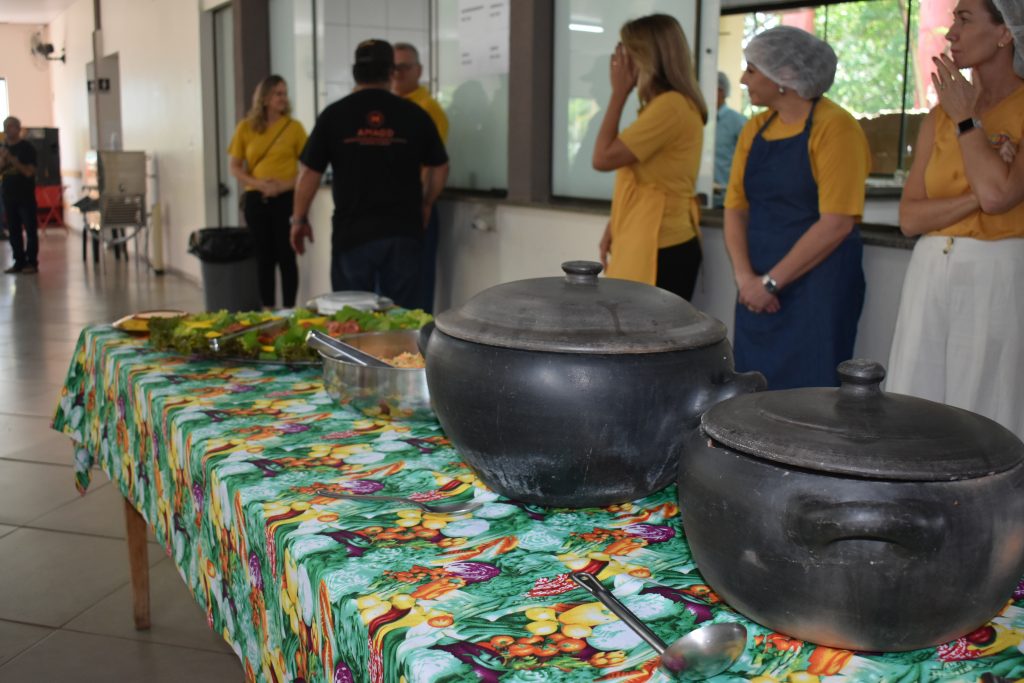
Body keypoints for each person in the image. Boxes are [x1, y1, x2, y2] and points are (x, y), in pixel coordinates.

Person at [887, 0, 1024, 439]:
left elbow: (1000, 195)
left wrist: (969, 122)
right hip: (930, 267)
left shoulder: (987, 111)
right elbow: (909, 217)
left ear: (1005, 33)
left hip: (996, 270)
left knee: (986, 398)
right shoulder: (937, 115)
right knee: (916, 394)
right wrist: (974, 195)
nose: (951, 33)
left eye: (964, 19)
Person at [723, 26, 870, 390]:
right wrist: (747, 280)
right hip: (755, 287)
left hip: (817, 288)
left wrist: (772, 282)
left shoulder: (836, 129)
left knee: (811, 394)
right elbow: (735, 209)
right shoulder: (754, 129)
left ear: (783, 77)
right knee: (752, 391)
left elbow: (837, 223)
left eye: (752, 70)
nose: (743, 79)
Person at [289, 39, 449, 309]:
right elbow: (440, 166)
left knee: (351, 318)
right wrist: (426, 204)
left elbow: (309, 173)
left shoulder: (334, 115)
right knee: (404, 318)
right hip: (403, 232)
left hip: (352, 234)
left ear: (355, 72)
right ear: (390, 72)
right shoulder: (414, 115)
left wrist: (299, 219)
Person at [593, 13, 707, 301]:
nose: (620, 63)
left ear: (645, 57)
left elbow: (603, 158)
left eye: (626, 52)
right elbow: (643, 175)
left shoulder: (671, 107)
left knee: (644, 341)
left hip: (663, 246)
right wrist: (614, 225)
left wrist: (618, 94)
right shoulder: (663, 106)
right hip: (649, 238)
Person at [228, 75, 307, 308]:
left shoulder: (294, 128)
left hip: (286, 199)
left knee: (287, 257)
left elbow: (308, 167)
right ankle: (268, 309)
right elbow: (234, 167)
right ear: (264, 98)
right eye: (278, 94)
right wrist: (258, 183)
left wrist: (284, 185)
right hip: (257, 199)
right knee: (264, 258)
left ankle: (290, 309)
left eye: (285, 93)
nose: (283, 98)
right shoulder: (246, 128)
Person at [391, 42, 448, 313]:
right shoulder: (390, 105)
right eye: (393, 67)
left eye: (405, 66)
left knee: (415, 287)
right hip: (392, 209)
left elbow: (432, 164)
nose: (398, 73)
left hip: (416, 205)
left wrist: (424, 204)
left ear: (419, 70)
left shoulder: (427, 108)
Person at [1, 117, 39, 274]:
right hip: (9, 196)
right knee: (14, 230)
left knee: (30, 229)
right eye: (5, 126)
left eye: (10, 126)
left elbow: (29, 172)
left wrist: (11, 159)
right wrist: (3, 160)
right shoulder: (2, 147)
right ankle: (19, 261)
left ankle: (31, 262)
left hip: (25, 196)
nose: (7, 130)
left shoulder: (27, 148)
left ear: (17, 128)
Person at [714, 72, 747, 208]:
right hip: (701, 199)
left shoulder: (738, 122)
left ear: (720, 91)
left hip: (727, 202)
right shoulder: (699, 121)